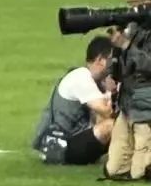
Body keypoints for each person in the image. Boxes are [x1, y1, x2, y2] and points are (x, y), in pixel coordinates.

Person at [31, 36, 116, 166]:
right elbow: (106, 110)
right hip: (60, 146)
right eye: (111, 60)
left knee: (114, 123)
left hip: (68, 141)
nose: (114, 64)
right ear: (100, 60)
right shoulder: (81, 77)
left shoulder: (95, 81)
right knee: (112, 125)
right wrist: (111, 92)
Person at [104, 0, 151, 181]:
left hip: (146, 106)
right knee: (115, 170)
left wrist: (125, 45)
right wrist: (111, 74)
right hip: (128, 104)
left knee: (141, 173)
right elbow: (122, 57)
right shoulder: (132, 20)